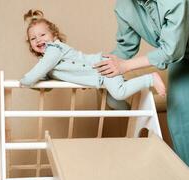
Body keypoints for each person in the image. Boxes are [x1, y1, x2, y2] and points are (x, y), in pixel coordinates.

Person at [94, 0, 189, 166]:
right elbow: (125, 48)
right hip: (182, 61)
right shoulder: (124, 6)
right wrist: (93, 72)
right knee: (180, 124)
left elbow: (172, 50)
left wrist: (125, 66)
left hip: (177, 53)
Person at [20, 9, 165, 111]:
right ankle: (135, 113)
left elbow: (36, 74)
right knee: (115, 103)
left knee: (119, 92)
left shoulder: (54, 50)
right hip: (99, 78)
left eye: (42, 35)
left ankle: (150, 79)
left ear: (54, 36)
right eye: (33, 38)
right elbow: (46, 83)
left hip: (103, 68)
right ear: (31, 45)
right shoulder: (48, 61)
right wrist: (35, 84)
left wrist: (23, 82)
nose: (38, 40)